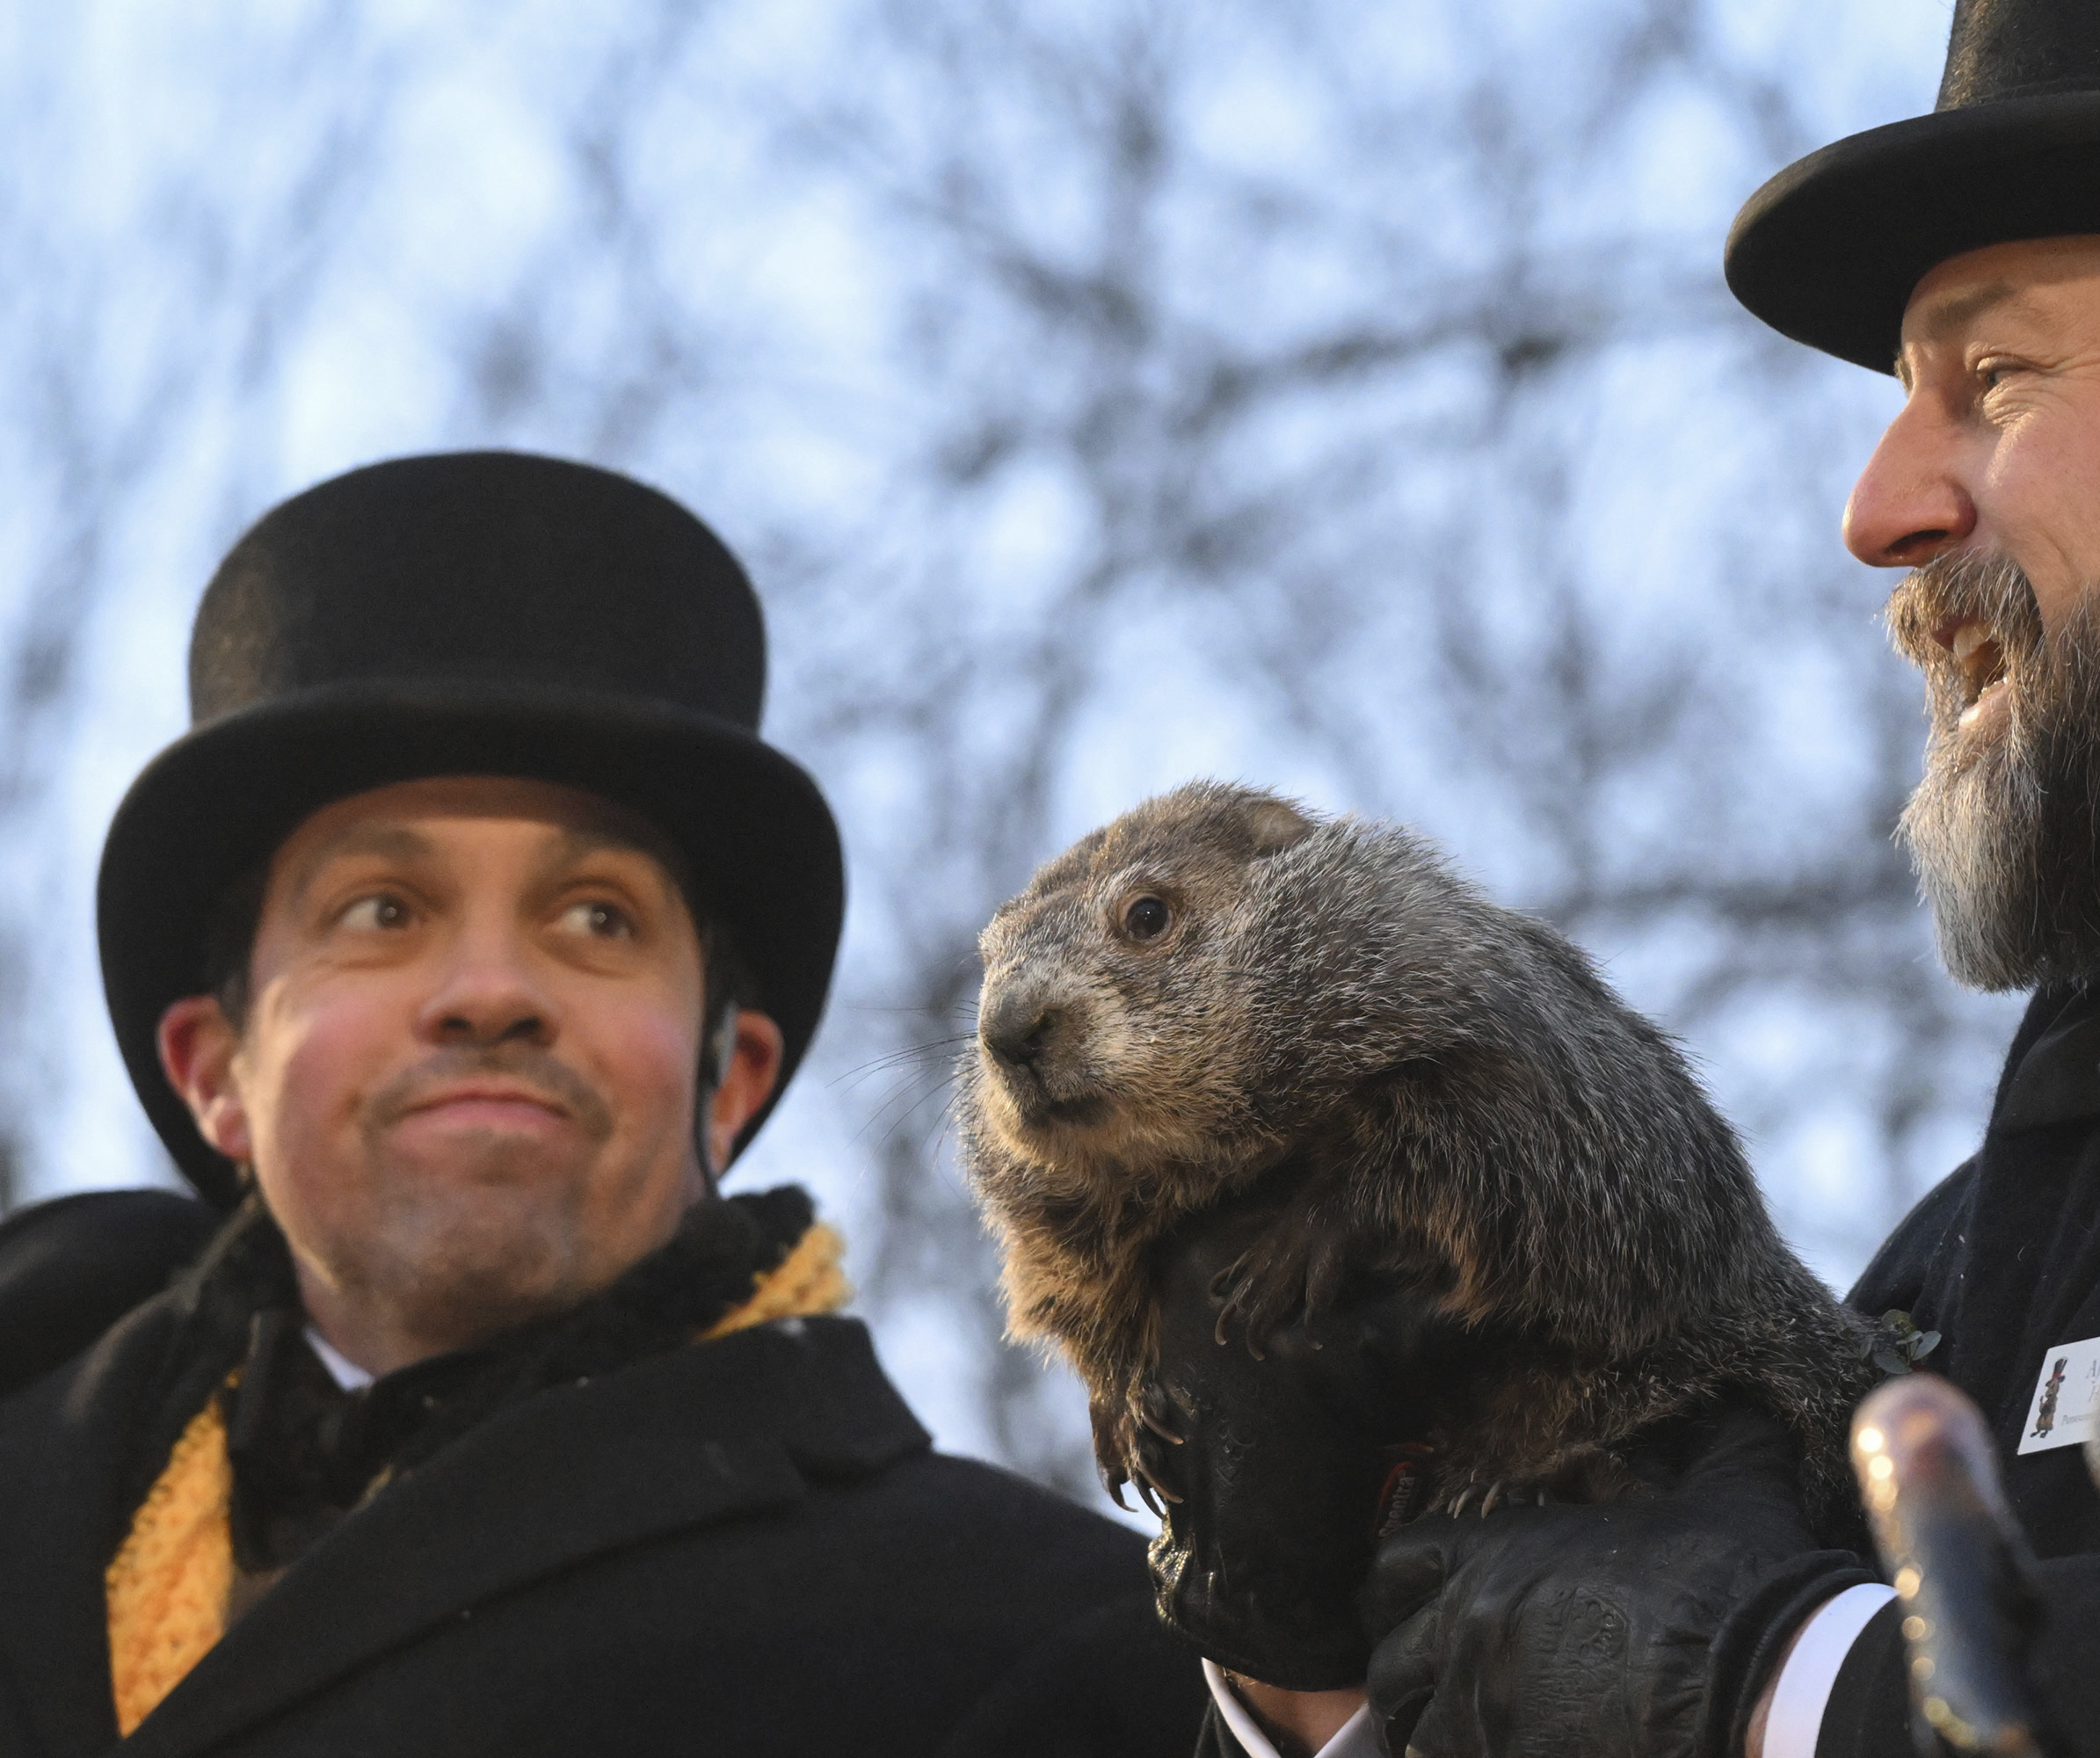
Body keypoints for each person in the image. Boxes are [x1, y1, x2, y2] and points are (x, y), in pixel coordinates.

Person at [1200, 0, 2100, 1752]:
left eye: (1991, 379)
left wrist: (1787, 1688)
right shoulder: (1950, 1262)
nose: (1875, 508)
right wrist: (1328, 1652)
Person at [0, 452, 1207, 1755]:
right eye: (381, 911)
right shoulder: (28, 1480)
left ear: (729, 1078)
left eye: (595, 917)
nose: (489, 991)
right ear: (212, 1073)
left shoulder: (1060, 1648)